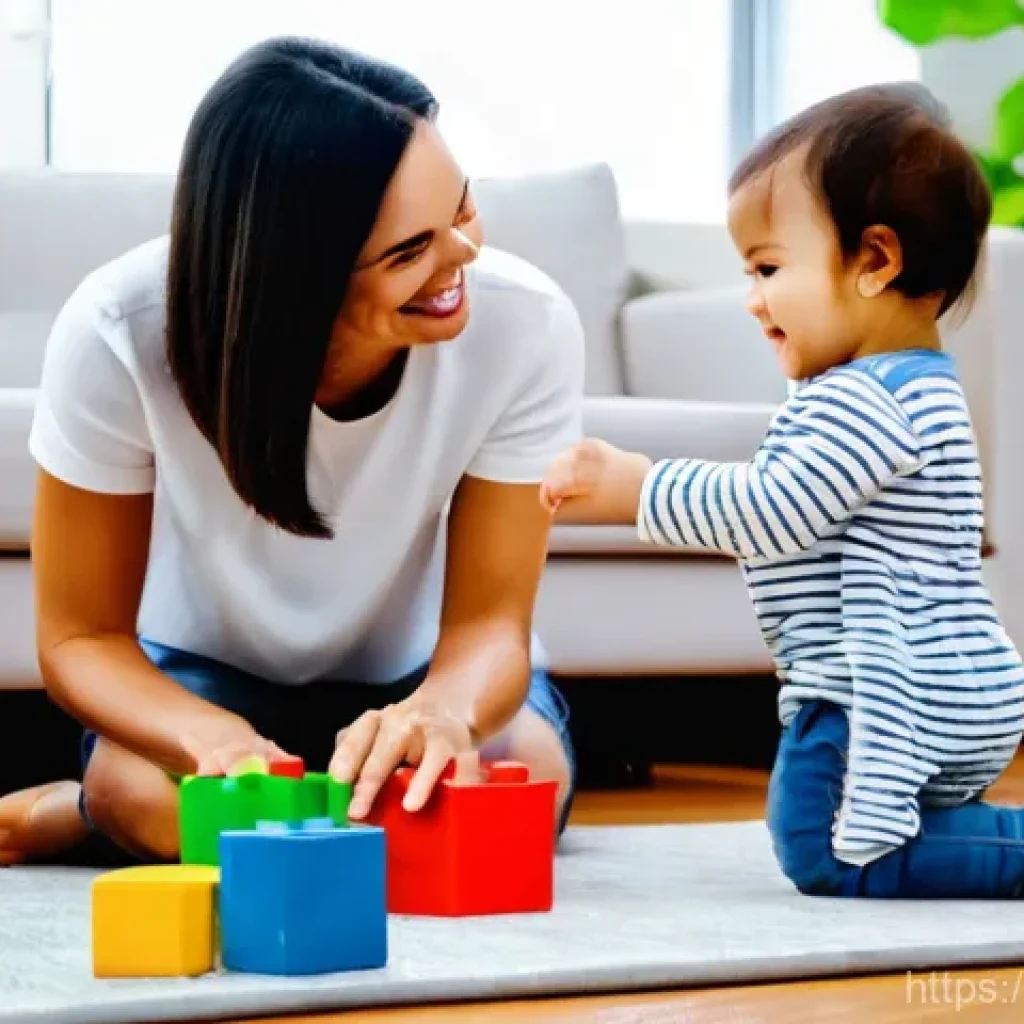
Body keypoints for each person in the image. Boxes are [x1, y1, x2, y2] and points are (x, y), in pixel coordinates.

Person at [0, 36, 583, 866]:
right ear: (295, 278)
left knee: (529, 776)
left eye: (460, 209)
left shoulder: (527, 324)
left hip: (419, 673)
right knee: (144, 794)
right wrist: (211, 739)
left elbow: (492, 623)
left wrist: (442, 713)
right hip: (198, 676)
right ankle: (109, 806)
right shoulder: (117, 332)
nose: (464, 258)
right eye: (408, 252)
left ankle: (102, 818)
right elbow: (78, 639)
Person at [539, 83, 1024, 899]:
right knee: (896, 832)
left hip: (877, 692)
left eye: (768, 267)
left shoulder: (870, 399)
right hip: (950, 683)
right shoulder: (918, 387)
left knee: (826, 846)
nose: (752, 299)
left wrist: (640, 489)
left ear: (875, 261)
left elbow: (774, 509)